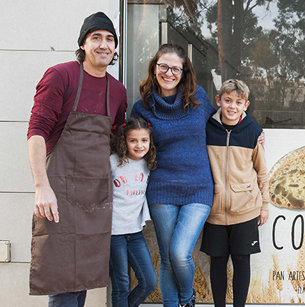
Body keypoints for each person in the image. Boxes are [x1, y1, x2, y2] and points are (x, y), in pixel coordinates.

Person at [27, 12, 127, 306]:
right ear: (83, 44)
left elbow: (117, 137)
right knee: (62, 279)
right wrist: (40, 186)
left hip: (95, 197)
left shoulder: (117, 91)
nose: (103, 45)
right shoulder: (61, 76)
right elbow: (36, 133)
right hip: (59, 193)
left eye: (109, 39)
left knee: (81, 277)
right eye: (96, 37)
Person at [130, 43, 215, 307]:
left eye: (175, 68)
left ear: (184, 71)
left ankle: (187, 298)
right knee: (167, 258)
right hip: (161, 189)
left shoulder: (198, 99)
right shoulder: (141, 108)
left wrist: (251, 127)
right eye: (163, 66)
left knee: (179, 253)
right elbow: (132, 145)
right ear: (154, 68)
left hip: (198, 188)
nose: (169, 73)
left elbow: (223, 124)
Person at [200, 79, 269, 307]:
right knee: (217, 262)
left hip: (246, 210)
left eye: (238, 102)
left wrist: (265, 205)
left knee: (241, 261)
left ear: (245, 105)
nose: (232, 106)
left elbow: (261, 171)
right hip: (214, 210)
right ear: (218, 100)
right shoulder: (207, 128)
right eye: (227, 100)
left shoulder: (253, 131)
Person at [109, 117, 157, 307]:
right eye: (133, 140)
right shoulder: (112, 162)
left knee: (149, 282)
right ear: (124, 141)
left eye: (144, 140)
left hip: (135, 232)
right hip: (114, 234)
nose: (139, 145)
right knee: (121, 286)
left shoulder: (148, 163)